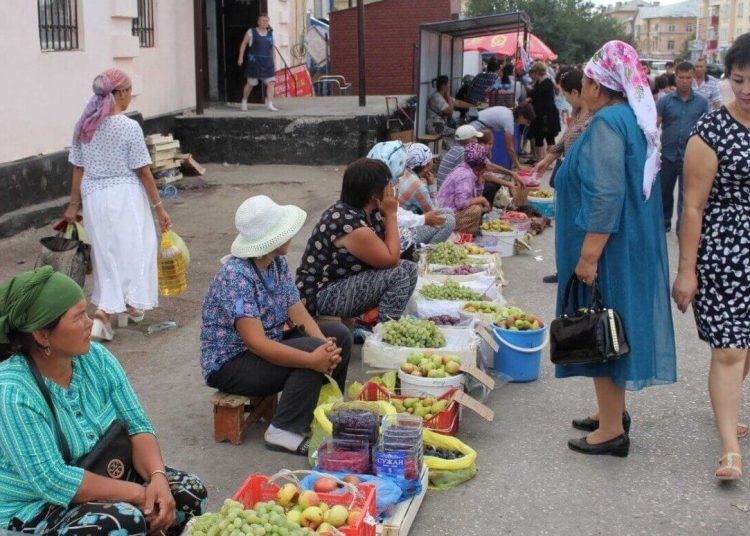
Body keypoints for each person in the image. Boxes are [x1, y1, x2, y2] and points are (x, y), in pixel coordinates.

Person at [0, 267, 206, 535]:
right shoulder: (13, 392)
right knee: (122, 522)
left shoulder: (95, 357)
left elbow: (136, 425)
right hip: (35, 506)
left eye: (87, 312)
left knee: (188, 494)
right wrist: (136, 493)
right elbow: (52, 481)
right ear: (42, 335)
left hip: (106, 473)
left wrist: (157, 479)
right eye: (77, 318)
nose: (89, 323)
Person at [554, 41, 676, 457]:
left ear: (597, 85)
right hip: (618, 243)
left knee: (601, 328)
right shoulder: (626, 118)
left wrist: (588, 257)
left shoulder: (607, 123)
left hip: (606, 248)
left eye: (586, 79)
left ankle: (611, 431)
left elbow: (607, 194)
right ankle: (611, 412)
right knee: (608, 327)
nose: (582, 85)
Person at [201, 196, 350, 456]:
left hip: (265, 345)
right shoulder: (237, 276)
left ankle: (322, 409)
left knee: (339, 337)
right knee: (310, 353)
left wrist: (326, 346)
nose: (290, 235)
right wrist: (315, 356)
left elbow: (297, 310)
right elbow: (256, 343)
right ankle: (282, 430)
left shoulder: (275, 263)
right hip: (232, 364)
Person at [672, 33, 750, 481]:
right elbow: (694, 206)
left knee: (745, 346)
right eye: (738, 79)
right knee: (729, 350)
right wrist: (686, 271)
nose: (745, 89)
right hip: (723, 253)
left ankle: (729, 410)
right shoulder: (712, 130)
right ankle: (729, 448)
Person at [64, 68, 171, 342]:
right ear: (120, 93)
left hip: (94, 197)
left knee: (106, 254)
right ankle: (109, 311)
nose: (130, 97)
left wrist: (72, 206)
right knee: (137, 249)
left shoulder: (84, 126)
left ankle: (121, 308)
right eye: (129, 91)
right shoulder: (128, 126)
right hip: (125, 195)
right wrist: (159, 207)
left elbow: (78, 168)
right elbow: (144, 171)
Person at [296, 158, 418, 323]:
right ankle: (384, 331)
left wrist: (386, 214)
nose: (392, 189)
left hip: (343, 282)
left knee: (409, 268)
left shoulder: (369, 210)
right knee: (398, 276)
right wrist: (391, 215)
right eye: (388, 186)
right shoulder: (347, 223)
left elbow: (391, 249)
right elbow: (391, 260)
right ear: (374, 195)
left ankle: (377, 322)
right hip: (320, 293)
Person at [532, 69, 594, 284]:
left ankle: (576, 269)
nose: (565, 99)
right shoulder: (578, 114)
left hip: (581, 183)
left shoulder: (592, 118)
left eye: (566, 94)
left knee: (577, 229)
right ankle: (565, 268)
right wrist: (547, 159)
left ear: (576, 92)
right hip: (567, 180)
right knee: (565, 228)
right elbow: (565, 139)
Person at [368, 141, 455, 251]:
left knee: (448, 212)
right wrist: (423, 218)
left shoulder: (392, 179)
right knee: (449, 221)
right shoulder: (409, 184)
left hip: (401, 225)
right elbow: (433, 213)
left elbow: (397, 211)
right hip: (398, 233)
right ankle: (426, 254)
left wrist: (422, 218)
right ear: (426, 166)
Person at [656, 61, 709, 233]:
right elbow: (655, 125)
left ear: (693, 78)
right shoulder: (665, 102)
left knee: (686, 196)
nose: (685, 81)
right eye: (681, 77)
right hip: (668, 155)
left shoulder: (701, 103)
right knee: (664, 191)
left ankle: (682, 228)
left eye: (688, 77)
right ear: (675, 77)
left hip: (691, 157)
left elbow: (706, 130)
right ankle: (664, 223)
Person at [438, 143, 492, 233]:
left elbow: (475, 195)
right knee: (476, 210)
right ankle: (454, 232)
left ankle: (469, 232)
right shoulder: (465, 175)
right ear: (481, 163)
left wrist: (480, 179)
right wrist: (482, 199)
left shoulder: (469, 170)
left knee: (478, 206)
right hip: (446, 216)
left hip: (452, 211)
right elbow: (461, 203)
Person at [469, 104, 536, 170]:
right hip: (474, 126)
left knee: (485, 156)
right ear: (521, 116)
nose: (526, 124)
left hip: (474, 122)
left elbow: (489, 126)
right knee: (477, 157)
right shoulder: (509, 121)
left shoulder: (508, 113)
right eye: (527, 121)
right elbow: (510, 148)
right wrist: (519, 166)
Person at [237, 13, 278, 112]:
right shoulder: (251, 32)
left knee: (271, 83)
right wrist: (240, 57)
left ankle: (270, 104)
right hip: (254, 63)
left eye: (267, 21)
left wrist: (274, 63)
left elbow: (272, 49)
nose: (265, 23)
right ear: (258, 22)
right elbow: (243, 44)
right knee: (250, 83)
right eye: (263, 20)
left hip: (267, 63)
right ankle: (244, 102)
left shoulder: (271, 34)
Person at [476, 129, 525, 208]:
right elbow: (486, 174)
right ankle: (484, 210)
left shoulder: (482, 154)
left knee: (497, 182)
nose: (489, 146)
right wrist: (509, 184)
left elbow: (490, 166)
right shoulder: (475, 154)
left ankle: (486, 208)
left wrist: (512, 173)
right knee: (491, 186)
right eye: (486, 143)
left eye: (491, 144)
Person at [527, 61, 561, 164]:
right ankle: (540, 160)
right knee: (538, 137)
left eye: (533, 72)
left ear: (537, 72)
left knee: (549, 137)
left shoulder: (547, 83)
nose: (532, 75)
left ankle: (549, 162)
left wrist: (531, 93)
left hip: (547, 115)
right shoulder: (538, 83)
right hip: (539, 115)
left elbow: (538, 95)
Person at [437, 125, 482, 190]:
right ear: (470, 141)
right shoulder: (463, 152)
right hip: (447, 195)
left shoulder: (455, 148)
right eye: (475, 138)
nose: (477, 141)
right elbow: (468, 176)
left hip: (443, 192)